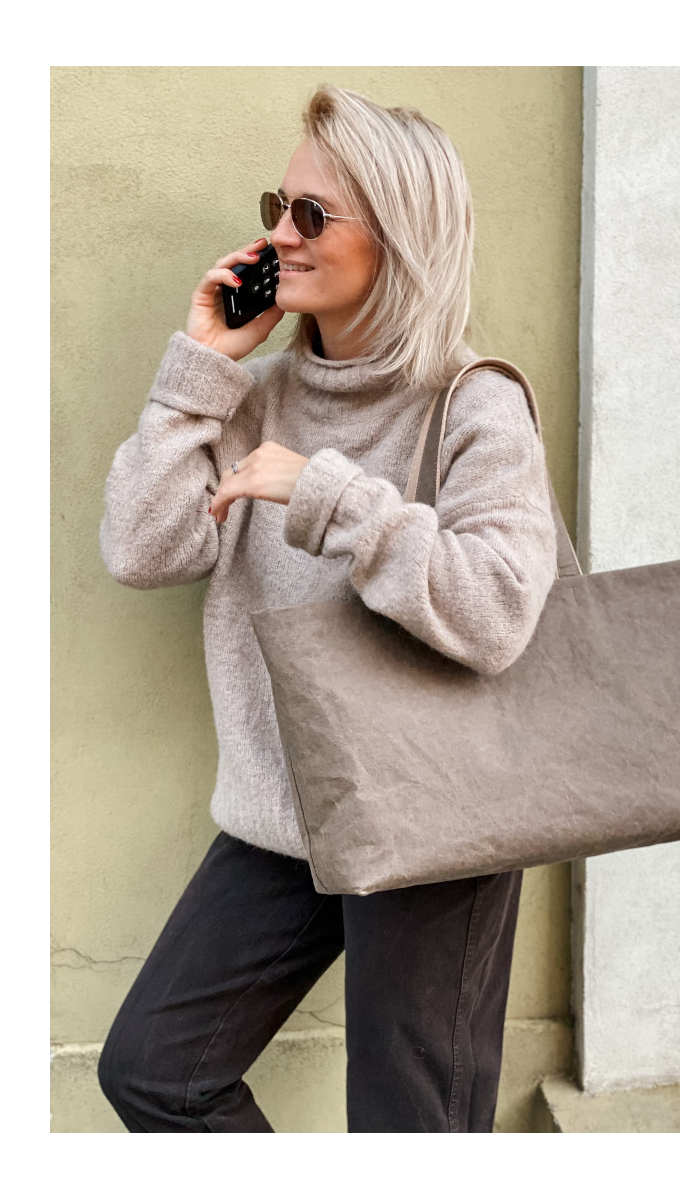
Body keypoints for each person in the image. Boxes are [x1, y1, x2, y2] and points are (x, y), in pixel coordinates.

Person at [97, 85, 558, 1134]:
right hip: (286, 816)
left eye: (312, 214)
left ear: (399, 236)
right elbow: (142, 550)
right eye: (278, 207)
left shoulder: (474, 402)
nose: (280, 235)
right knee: (156, 1070)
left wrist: (328, 495)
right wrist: (198, 374)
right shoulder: (253, 397)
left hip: (438, 813)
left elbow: (495, 610)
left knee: (407, 1129)